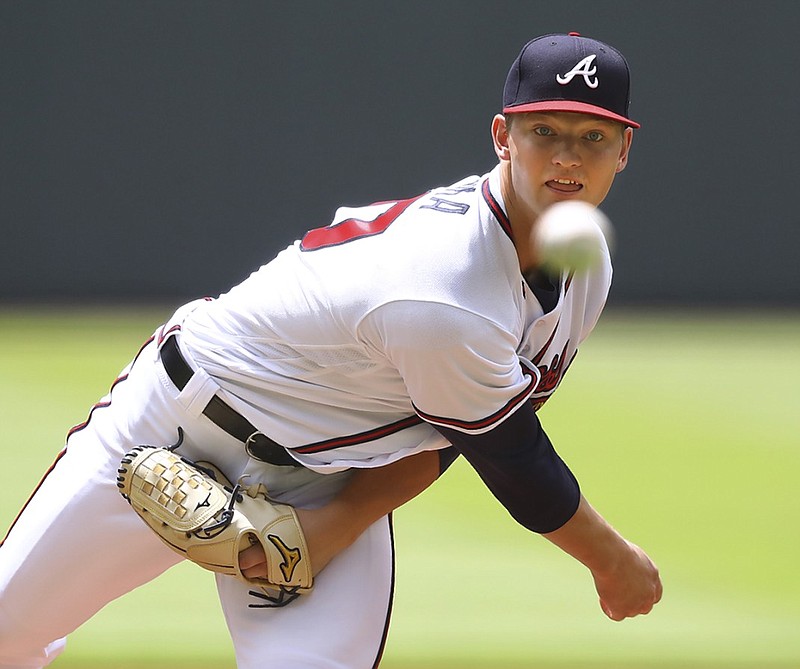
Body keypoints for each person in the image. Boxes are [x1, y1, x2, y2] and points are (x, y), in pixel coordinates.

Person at [0, 32, 662, 669]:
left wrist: (338, 523)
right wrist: (613, 561)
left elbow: (452, 433)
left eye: (593, 136)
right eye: (544, 131)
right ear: (502, 138)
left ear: (625, 150)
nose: (568, 156)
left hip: (330, 475)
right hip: (175, 423)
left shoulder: (585, 269)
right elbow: (515, 460)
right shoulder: (445, 290)